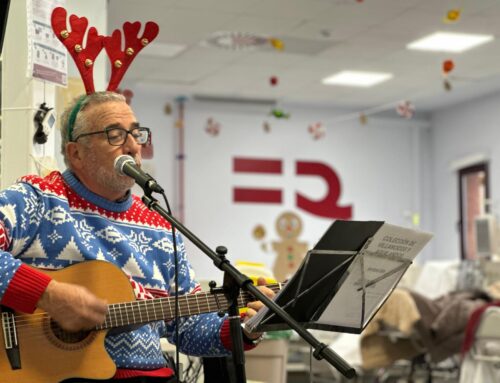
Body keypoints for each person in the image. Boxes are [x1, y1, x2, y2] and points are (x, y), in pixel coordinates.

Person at [0, 91, 274, 382]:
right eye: (115, 135)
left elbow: (190, 329)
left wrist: (246, 329)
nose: (132, 146)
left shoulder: (160, 224)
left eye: (136, 134)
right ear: (76, 153)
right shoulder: (36, 199)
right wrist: (48, 294)